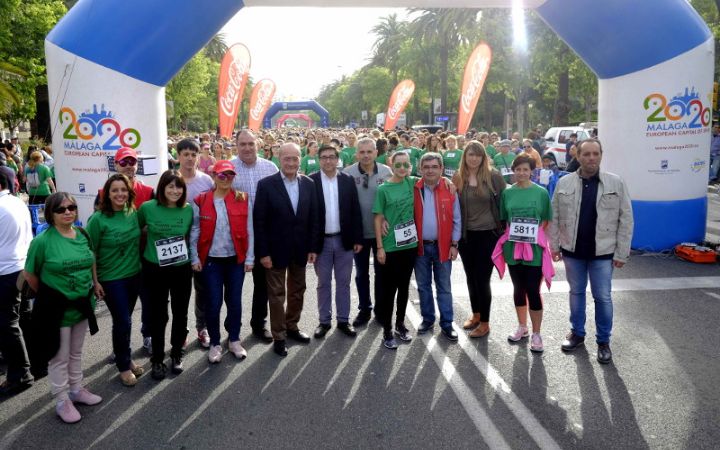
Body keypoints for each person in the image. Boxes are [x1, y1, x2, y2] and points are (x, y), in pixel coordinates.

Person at [549, 138, 633, 364]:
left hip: (603, 253)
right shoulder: (564, 183)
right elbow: (554, 216)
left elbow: (626, 219)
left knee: (602, 297)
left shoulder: (616, 183)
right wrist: (554, 246)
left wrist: (621, 252)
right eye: (586, 154)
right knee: (576, 293)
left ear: (601, 155)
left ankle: (603, 342)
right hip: (572, 251)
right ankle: (577, 333)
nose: (591, 158)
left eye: (595, 154)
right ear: (578, 156)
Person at [24, 192, 101, 423]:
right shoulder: (42, 242)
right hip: (56, 311)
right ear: (51, 214)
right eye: (61, 209)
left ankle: (76, 390)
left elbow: (91, 258)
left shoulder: (82, 234)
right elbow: (30, 274)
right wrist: (50, 296)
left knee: (76, 352)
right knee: (58, 356)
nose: (68, 212)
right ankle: (61, 400)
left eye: (72, 207)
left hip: (82, 305)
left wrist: (95, 282)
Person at [254, 143, 320, 357]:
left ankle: (292, 326)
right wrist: (263, 252)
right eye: (287, 159)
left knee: (298, 291)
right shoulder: (266, 185)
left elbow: (314, 219)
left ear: (300, 159)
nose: (291, 163)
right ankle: (279, 336)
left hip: (301, 249)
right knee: (276, 295)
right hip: (274, 251)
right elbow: (260, 221)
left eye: (295, 158)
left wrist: (312, 247)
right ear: (279, 159)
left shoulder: (309, 184)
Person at [190, 161, 254, 363]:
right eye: (221, 175)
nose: (225, 179)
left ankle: (234, 339)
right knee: (213, 303)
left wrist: (250, 257)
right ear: (214, 176)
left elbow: (250, 229)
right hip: (211, 262)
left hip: (235, 261)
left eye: (229, 175)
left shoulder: (242, 198)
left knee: (234, 302)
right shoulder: (201, 199)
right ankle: (215, 343)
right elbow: (195, 230)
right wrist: (194, 257)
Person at [86, 174, 144, 386]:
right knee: (123, 321)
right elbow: (89, 251)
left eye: (123, 190)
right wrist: (95, 281)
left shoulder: (132, 212)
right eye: (115, 190)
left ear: (129, 192)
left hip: (134, 275)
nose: (120, 194)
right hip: (111, 279)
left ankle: (126, 358)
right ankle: (122, 365)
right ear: (107, 194)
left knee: (125, 320)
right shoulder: (98, 219)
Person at [138, 170, 193, 380]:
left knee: (181, 313)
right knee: (158, 316)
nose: (174, 190)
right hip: (155, 269)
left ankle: (177, 353)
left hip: (181, 268)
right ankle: (158, 359)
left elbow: (191, 237)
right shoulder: (147, 208)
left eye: (178, 186)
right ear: (161, 188)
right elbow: (137, 230)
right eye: (170, 186)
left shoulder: (188, 210)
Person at [495, 154, 552, 353]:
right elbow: (504, 219)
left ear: (532, 171)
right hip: (513, 248)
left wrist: (534, 236)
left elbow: (546, 220)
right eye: (518, 169)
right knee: (518, 288)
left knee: (533, 290)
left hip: (534, 249)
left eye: (525, 169)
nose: (521, 173)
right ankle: (522, 327)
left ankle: (537, 333)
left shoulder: (541, 193)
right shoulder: (507, 193)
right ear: (514, 170)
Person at [453, 141, 506, 338]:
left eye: (478, 155)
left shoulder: (494, 176)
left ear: (483, 157)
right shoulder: (459, 177)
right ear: (465, 157)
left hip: (489, 234)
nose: (474, 158)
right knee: (470, 276)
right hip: (467, 235)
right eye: (470, 155)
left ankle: (485, 322)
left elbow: (505, 203)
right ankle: (475, 314)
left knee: (483, 279)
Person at [310, 145, 363, 338]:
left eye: (331, 157)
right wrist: (311, 246)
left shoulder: (347, 180)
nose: (328, 161)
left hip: (344, 240)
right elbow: (309, 216)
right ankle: (324, 322)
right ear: (319, 160)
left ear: (338, 159)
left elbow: (355, 210)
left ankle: (343, 320)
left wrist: (357, 238)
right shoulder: (311, 181)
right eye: (323, 157)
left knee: (343, 282)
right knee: (323, 283)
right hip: (321, 243)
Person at [232, 130, 279, 343]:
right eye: (243, 144)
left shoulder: (270, 168)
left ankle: (259, 324)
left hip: (264, 235)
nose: (247, 148)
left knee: (262, 284)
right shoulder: (228, 169)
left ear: (258, 144)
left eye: (251, 143)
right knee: (232, 286)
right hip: (236, 236)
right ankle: (231, 330)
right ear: (236, 145)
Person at [413, 152, 462, 341]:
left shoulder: (450, 190)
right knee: (423, 286)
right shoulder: (414, 188)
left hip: (443, 246)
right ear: (420, 169)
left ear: (441, 169)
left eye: (434, 167)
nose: (430, 170)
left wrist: (454, 244)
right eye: (426, 167)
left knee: (444, 287)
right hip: (421, 248)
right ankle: (427, 319)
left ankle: (447, 323)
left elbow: (457, 219)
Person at [344, 138, 392, 326]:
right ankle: (365, 309)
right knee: (361, 273)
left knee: (382, 274)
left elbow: (393, 199)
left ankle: (381, 310)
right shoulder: (347, 173)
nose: (365, 155)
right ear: (357, 154)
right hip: (360, 234)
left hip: (382, 233)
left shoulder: (387, 172)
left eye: (369, 152)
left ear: (376, 152)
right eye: (362, 152)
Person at [373, 151, 418, 349]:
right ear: (391, 165)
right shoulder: (383, 189)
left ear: (410, 166)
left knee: (404, 287)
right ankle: (387, 330)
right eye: (398, 165)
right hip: (390, 245)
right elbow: (377, 218)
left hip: (409, 245)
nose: (402, 168)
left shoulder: (412, 183)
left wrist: (448, 182)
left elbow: (434, 177)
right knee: (389, 290)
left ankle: (400, 324)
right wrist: (380, 247)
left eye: (405, 165)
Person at [177, 139, 214, 349]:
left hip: (201, 243)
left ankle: (202, 327)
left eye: (193, 154)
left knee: (203, 289)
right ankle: (180, 332)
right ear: (178, 156)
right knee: (181, 292)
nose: (190, 158)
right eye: (186, 154)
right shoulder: (170, 179)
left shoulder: (207, 181)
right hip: (176, 243)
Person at [0, 172, 33, 396]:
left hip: (6, 272)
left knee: (7, 324)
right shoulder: (16, 201)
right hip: (20, 268)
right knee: (18, 320)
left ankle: (21, 373)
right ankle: (24, 365)